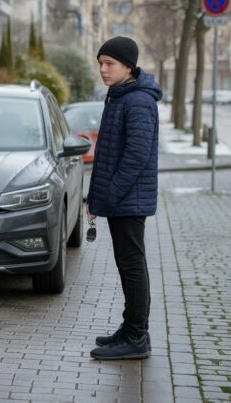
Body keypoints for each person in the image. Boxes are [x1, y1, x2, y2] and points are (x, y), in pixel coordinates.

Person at [87, 36, 162, 360]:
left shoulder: (138, 101)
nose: (103, 69)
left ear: (127, 66)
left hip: (129, 200)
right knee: (127, 264)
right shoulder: (119, 96)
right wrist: (96, 196)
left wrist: (111, 194)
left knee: (132, 266)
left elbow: (136, 155)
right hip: (121, 198)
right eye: (100, 63)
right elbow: (107, 153)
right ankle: (132, 328)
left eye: (109, 64)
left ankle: (136, 337)